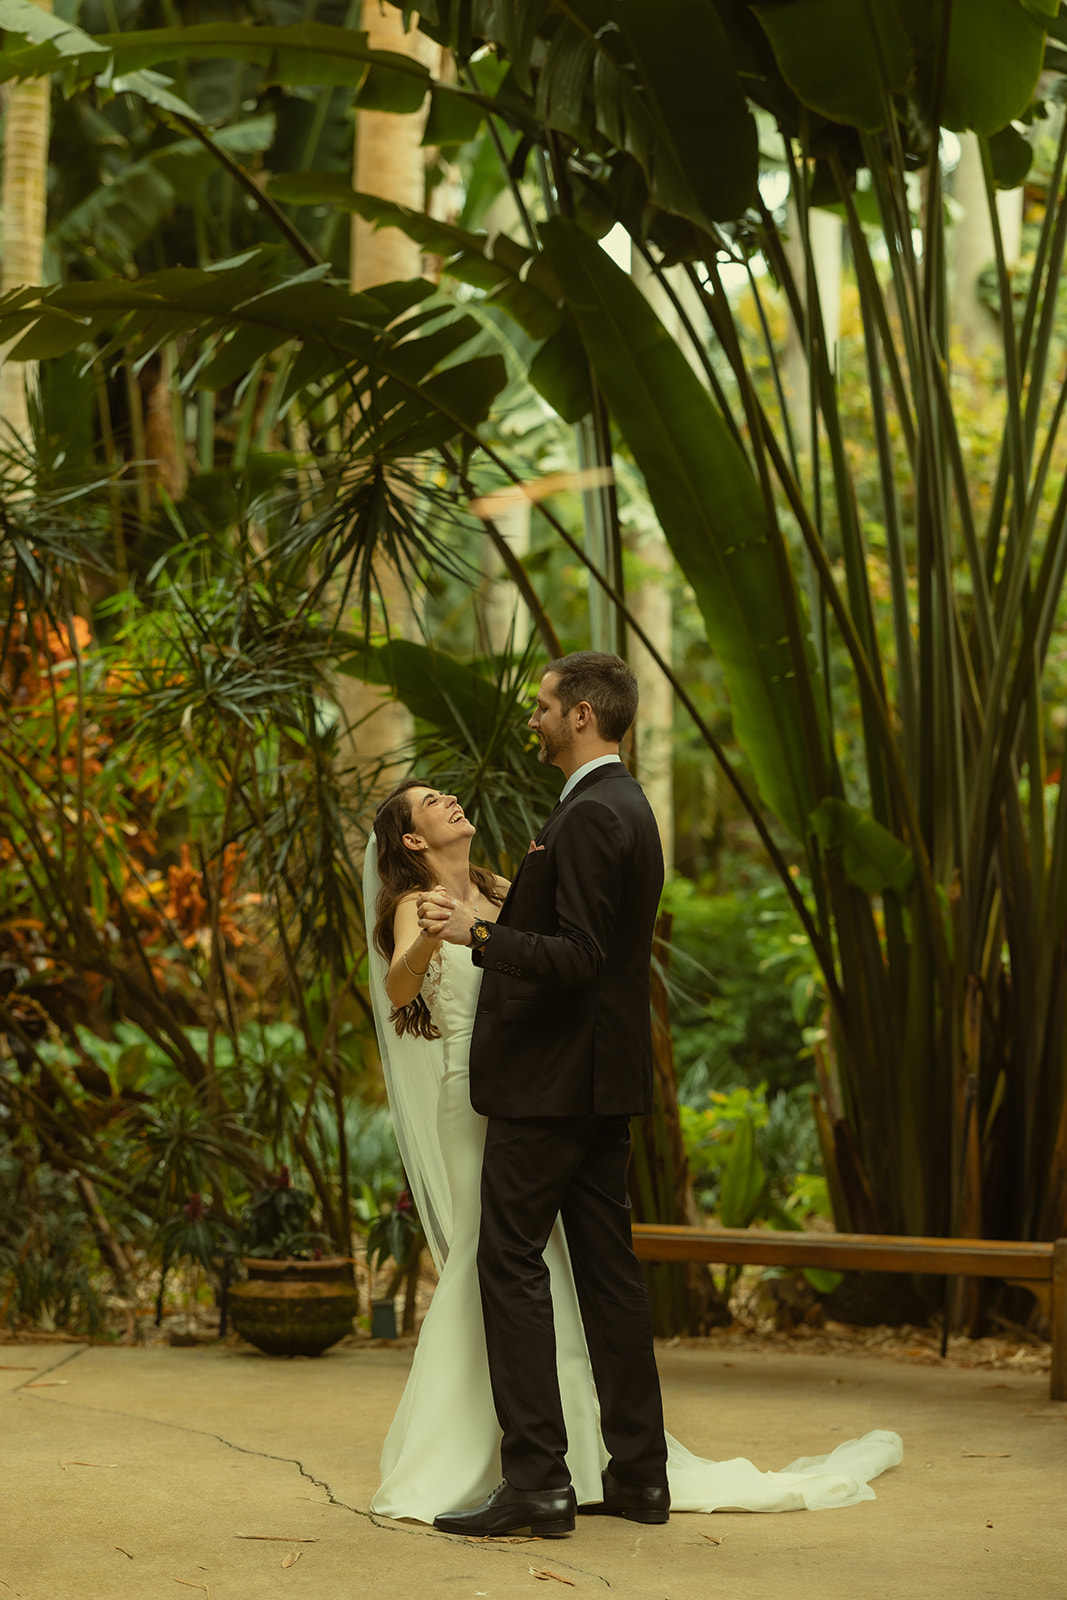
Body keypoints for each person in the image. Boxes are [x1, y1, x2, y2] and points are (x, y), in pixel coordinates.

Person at [363, 653, 902, 1535]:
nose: (531, 718)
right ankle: (639, 1474)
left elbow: (574, 958)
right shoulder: (628, 808)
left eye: (541, 706)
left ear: (579, 715)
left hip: (547, 1090)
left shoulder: (582, 818)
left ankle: (537, 1480)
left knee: (507, 1264)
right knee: (608, 1275)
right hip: (598, 1084)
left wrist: (479, 931)